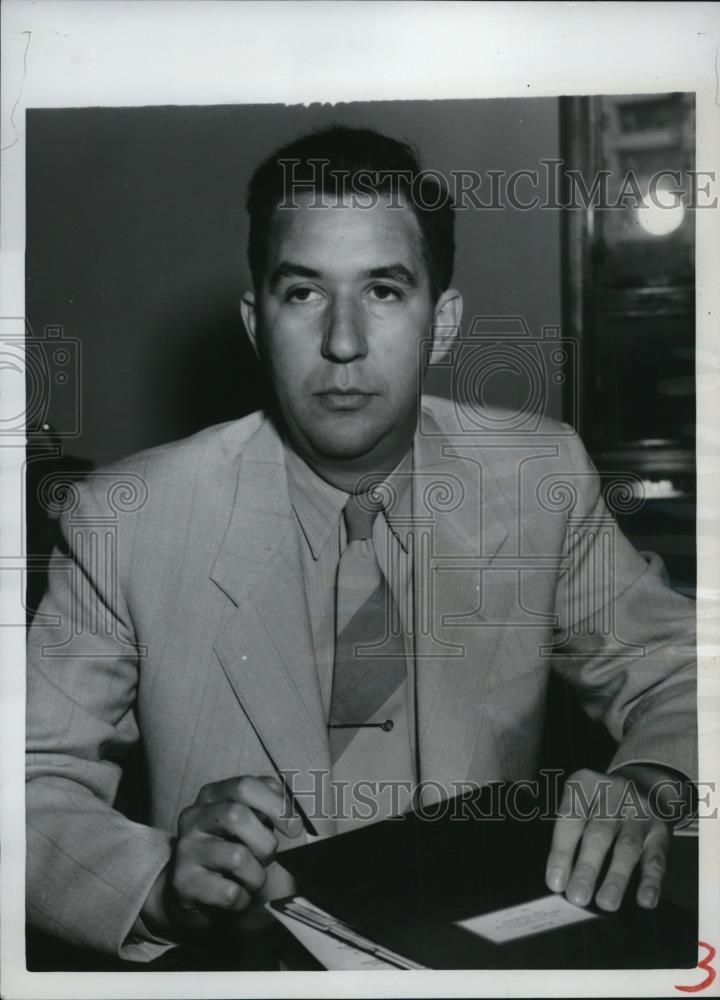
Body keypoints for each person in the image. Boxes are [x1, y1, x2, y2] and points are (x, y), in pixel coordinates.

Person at [26, 125, 696, 963]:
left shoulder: (538, 474)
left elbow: (685, 671)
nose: (343, 343)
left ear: (441, 322)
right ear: (256, 320)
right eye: (303, 293)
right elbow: (23, 784)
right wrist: (159, 882)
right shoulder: (128, 517)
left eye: (383, 290)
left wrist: (649, 784)